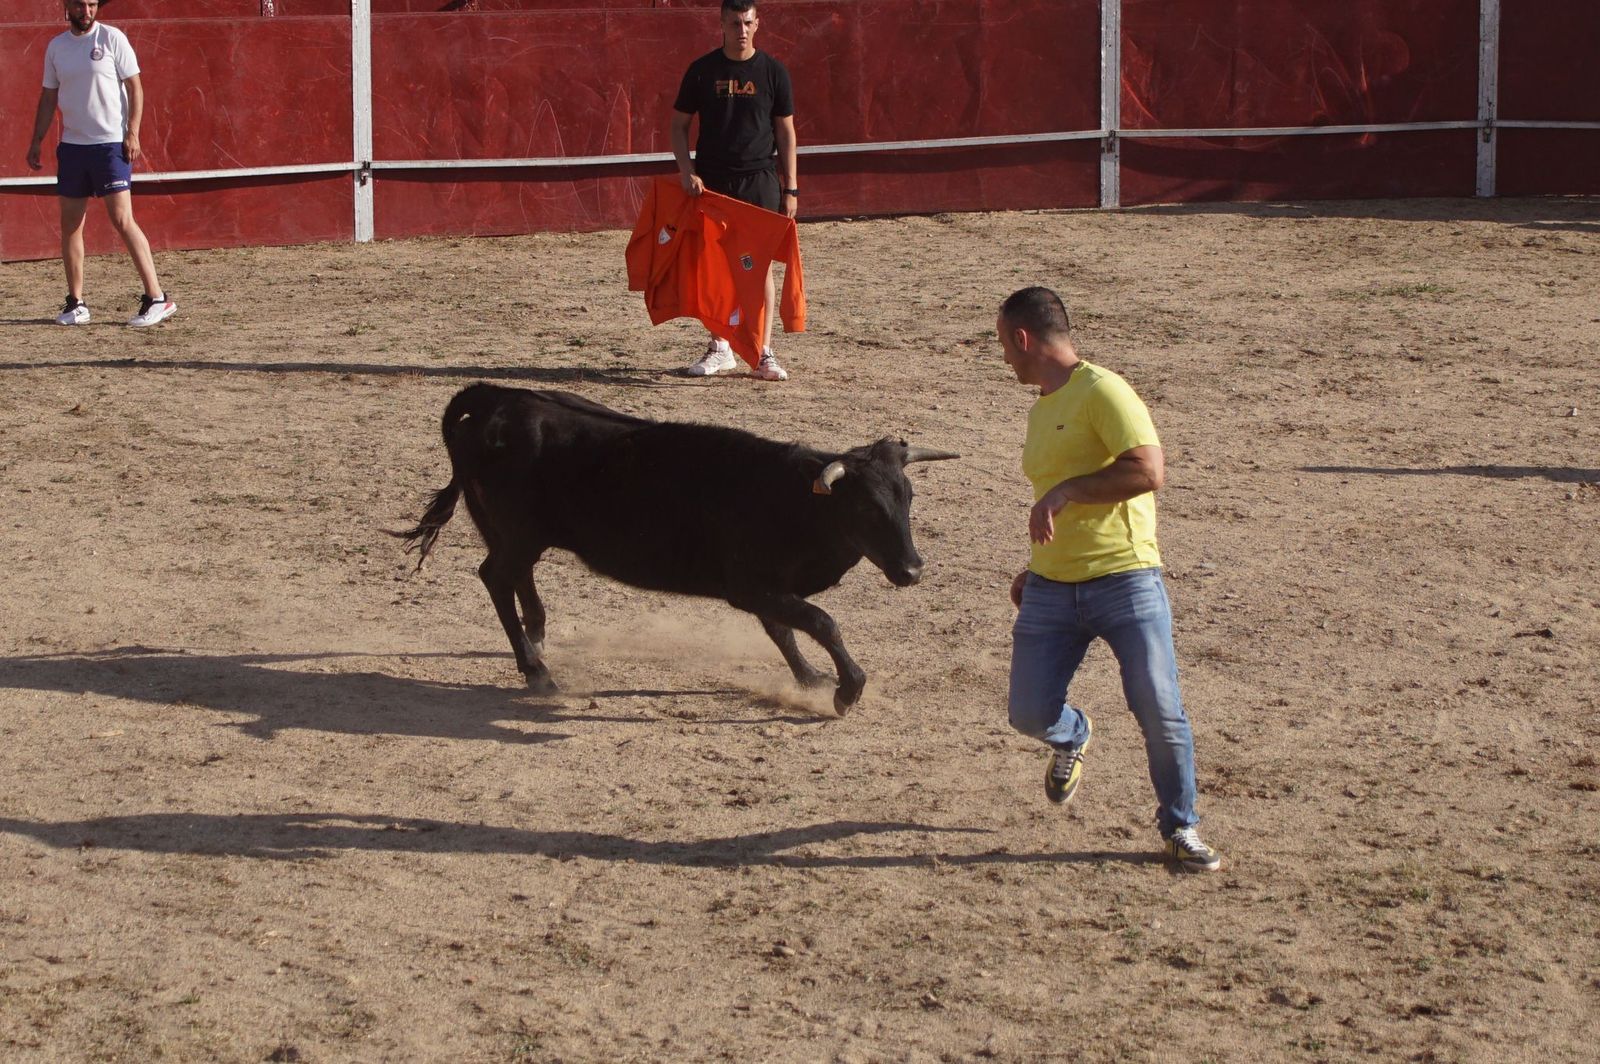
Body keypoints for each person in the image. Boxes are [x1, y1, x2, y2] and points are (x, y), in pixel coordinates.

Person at [997, 286, 1220, 873]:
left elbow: (1149, 470)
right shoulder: (1042, 408)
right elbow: (1052, 503)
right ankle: (1073, 736)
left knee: (1159, 709)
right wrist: (1034, 568)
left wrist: (1066, 491)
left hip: (1125, 580)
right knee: (1027, 713)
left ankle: (1181, 827)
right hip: (1050, 584)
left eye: (1003, 345)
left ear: (1023, 339)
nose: (1003, 358)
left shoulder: (1106, 391)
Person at [26, 0, 176, 329]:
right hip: (73, 146)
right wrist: (37, 139)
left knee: (122, 219)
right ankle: (76, 303)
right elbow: (49, 96)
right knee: (70, 225)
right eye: (80, 4)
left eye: (92, 4)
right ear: (67, 6)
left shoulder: (112, 39)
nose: (87, 11)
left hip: (110, 144)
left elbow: (135, 87)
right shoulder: (57, 47)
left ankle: (157, 297)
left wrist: (132, 133)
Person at [669, 0, 797, 381]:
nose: (741, 30)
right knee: (716, 268)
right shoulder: (702, 71)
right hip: (713, 184)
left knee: (759, 269)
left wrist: (791, 188)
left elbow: (786, 132)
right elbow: (678, 127)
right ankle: (720, 347)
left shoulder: (774, 72)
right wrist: (686, 172)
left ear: (757, 25)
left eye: (747, 22)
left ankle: (762, 352)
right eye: (734, 23)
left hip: (760, 181)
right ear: (721, 25)